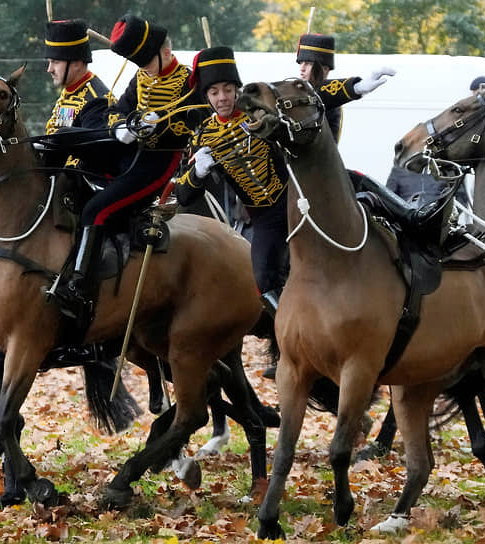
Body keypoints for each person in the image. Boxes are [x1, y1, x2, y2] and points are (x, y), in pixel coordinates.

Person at [176, 46, 429, 317]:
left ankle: (413, 218)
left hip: (297, 195)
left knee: (351, 177)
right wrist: (197, 173)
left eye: (227, 89)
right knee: (262, 280)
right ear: (207, 97)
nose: (223, 97)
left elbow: (309, 98)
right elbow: (183, 195)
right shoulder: (202, 138)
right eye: (214, 92)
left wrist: (356, 88)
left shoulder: (258, 108)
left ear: (237, 88)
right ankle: (290, 328)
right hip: (264, 218)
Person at [53, 14, 203, 325]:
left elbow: (197, 118)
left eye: (146, 61)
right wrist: (123, 125)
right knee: (75, 140)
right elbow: (117, 110)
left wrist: (157, 126)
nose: (143, 69)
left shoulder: (188, 81)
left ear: (164, 52)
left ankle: (80, 287)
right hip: (128, 152)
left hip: (157, 163)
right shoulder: (141, 77)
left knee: (97, 211)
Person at [296, 33, 395, 144]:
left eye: (308, 63)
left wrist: (357, 87)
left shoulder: (331, 102)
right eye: (301, 63)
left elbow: (318, 95)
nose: (302, 68)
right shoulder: (294, 91)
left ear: (324, 69)